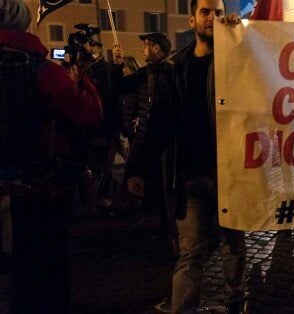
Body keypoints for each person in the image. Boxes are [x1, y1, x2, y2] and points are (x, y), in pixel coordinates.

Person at [125, 1, 246, 313]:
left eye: (219, 12)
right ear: (192, 18)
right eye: (206, 11)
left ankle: (235, 299)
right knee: (190, 252)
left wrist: (241, 37)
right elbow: (159, 122)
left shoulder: (237, 59)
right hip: (190, 177)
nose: (213, 18)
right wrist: (137, 168)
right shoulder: (176, 67)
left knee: (233, 244)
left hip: (229, 174)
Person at [0, 1, 102, 312]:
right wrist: (82, 78)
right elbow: (90, 114)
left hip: (7, 178)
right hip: (45, 183)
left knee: (19, 257)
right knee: (49, 260)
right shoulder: (43, 71)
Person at [114, 32, 178, 248]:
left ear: (156, 48)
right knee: (157, 186)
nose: (143, 50)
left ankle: (173, 233)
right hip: (150, 136)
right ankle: (165, 228)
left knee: (168, 186)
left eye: (146, 46)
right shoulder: (147, 72)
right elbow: (122, 87)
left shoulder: (171, 72)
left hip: (169, 141)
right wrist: (117, 63)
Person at [84, 37, 121, 213]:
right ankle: (97, 197)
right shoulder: (87, 69)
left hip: (105, 125)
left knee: (105, 165)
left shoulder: (106, 70)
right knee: (94, 165)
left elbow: (109, 96)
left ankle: (105, 197)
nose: (90, 49)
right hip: (90, 126)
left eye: (93, 45)